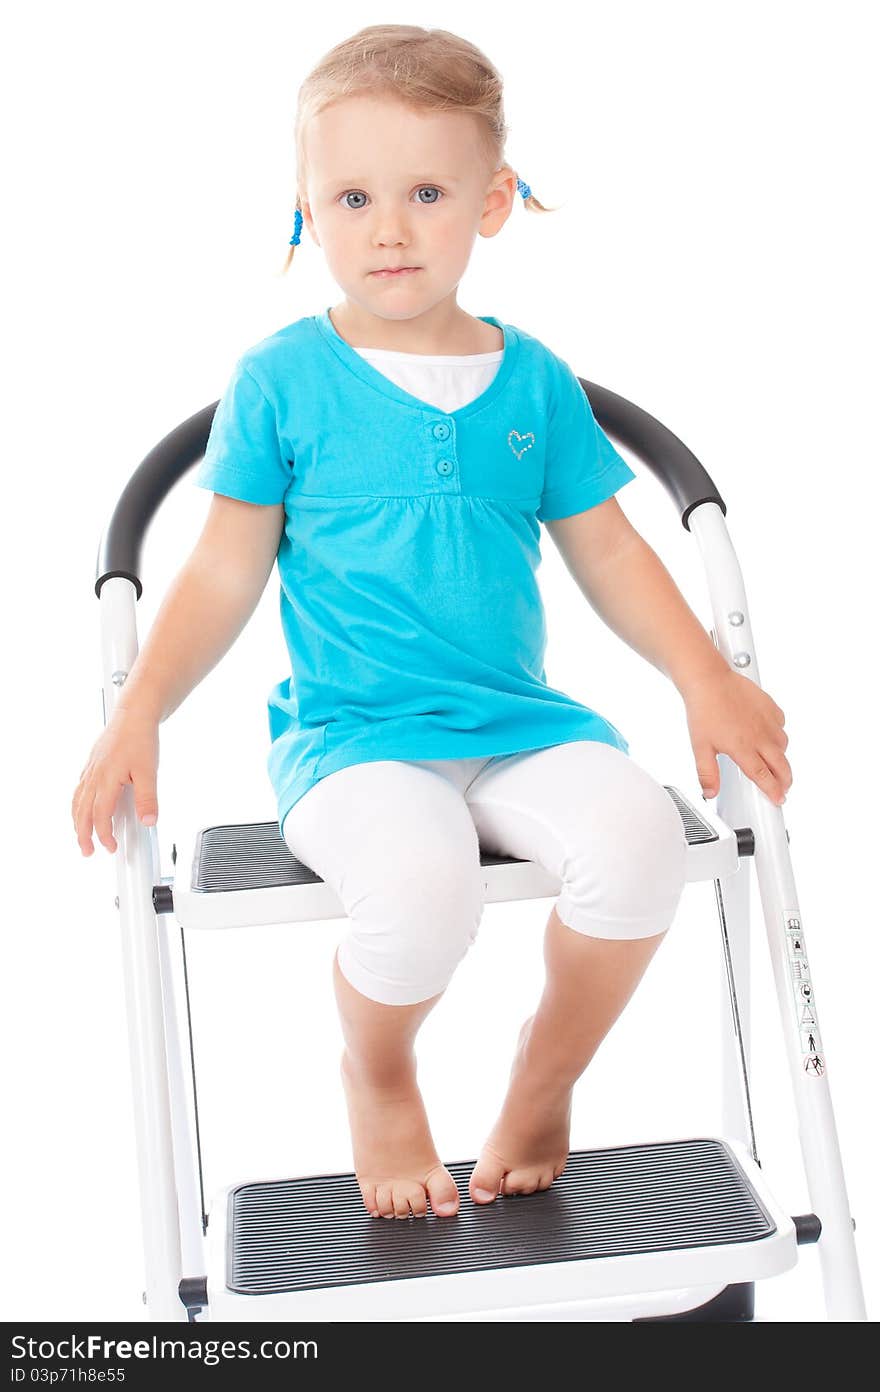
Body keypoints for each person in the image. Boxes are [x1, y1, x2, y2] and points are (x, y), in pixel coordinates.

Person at [71, 24, 791, 1223]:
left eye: (424, 192)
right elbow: (216, 575)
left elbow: (609, 552)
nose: (389, 229)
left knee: (640, 847)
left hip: (518, 724)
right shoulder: (281, 381)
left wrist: (703, 679)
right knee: (420, 887)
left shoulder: (534, 381)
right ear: (305, 207)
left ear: (493, 201)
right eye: (352, 197)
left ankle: (543, 1077)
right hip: (355, 741)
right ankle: (381, 1070)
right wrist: (136, 708)